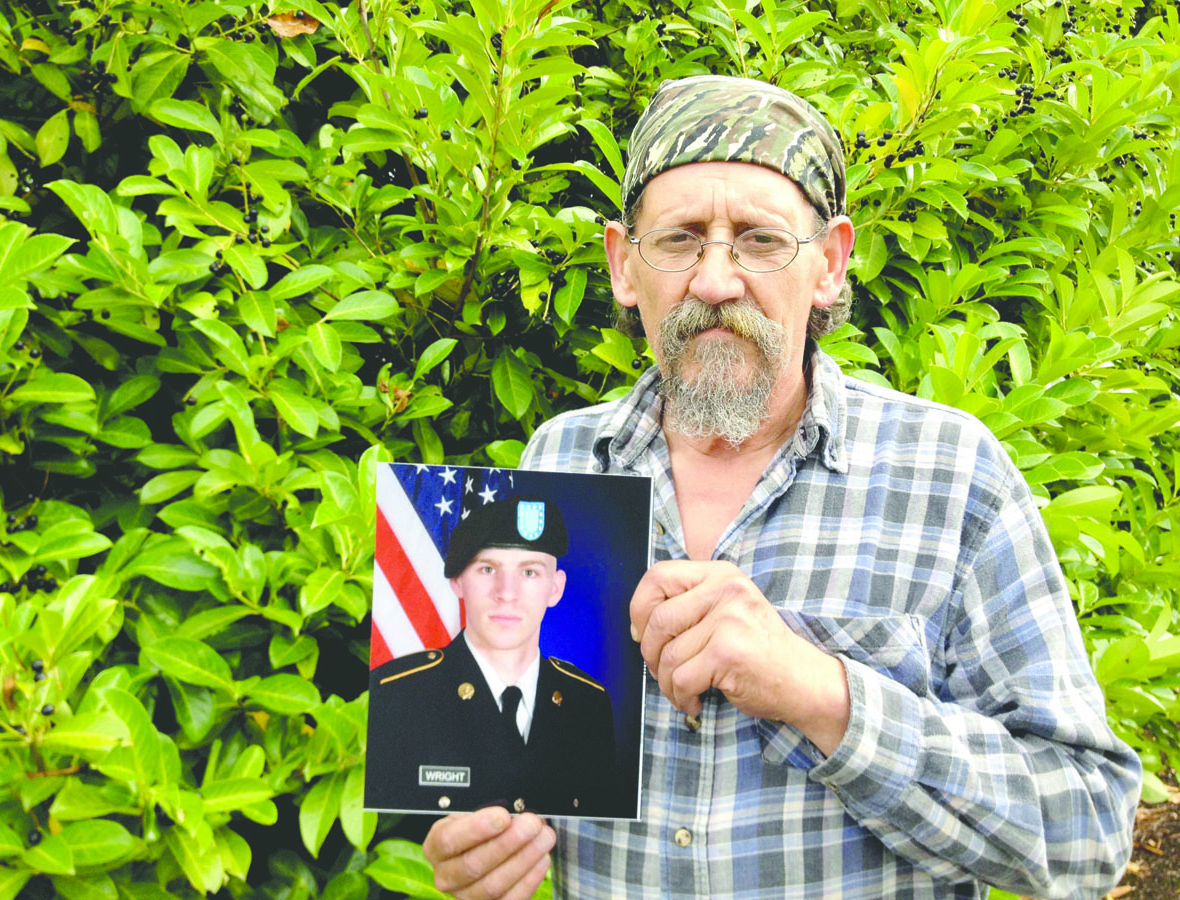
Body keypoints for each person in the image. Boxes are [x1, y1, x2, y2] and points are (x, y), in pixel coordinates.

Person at [422, 75, 1141, 899]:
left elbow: (1089, 830)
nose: (716, 281)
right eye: (680, 239)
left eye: (760, 240)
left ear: (829, 264)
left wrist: (819, 693)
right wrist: (480, 845)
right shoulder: (561, 461)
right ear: (623, 265)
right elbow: (507, 759)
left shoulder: (952, 475)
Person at [366, 495, 618, 818]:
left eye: (530, 572)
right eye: (487, 569)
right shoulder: (395, 696)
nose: (507, 593)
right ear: (457, 581)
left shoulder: (589, 704)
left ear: (555, 588)